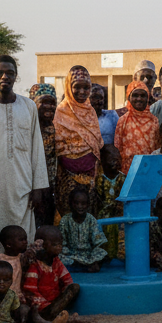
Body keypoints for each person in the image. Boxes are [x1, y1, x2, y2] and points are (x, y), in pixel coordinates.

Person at [0, 57, 47, 275]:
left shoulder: (29, 106)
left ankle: (23, 286)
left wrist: (38, 186)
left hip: (23, 187)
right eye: (0, 73)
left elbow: (36, 147)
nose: (5, 77)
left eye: (10, 73)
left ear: (16, 76)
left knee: (24, 237)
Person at [52, 66, 104, 218]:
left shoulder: (90, 111)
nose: (82, 92)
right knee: (70, 219)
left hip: (91, 177)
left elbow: (96, 142)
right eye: (77, 87)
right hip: (68, 178)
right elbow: (59, 148)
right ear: (69, 87)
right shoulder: (61, 112)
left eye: (86, 87)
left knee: (89, 220)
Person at [22, 225, 86, 323]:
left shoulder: (56, 261)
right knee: (39, 310)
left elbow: (66, 279)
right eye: (54, 244)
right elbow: (31, 292)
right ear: (42, 245)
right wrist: (44, 305)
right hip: (41, 308)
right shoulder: (35, 266)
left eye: (60, 244)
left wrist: (66, 290)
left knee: (74, 287)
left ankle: (57, 316)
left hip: (55, 303)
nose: (59, 247)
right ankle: (54, 318)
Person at [115, 80, 160, 177]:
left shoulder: (154, 121)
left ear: (147, 98)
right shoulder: (123, 120)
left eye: (143, 95)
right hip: (127, 171)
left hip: (149, 170)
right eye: (135, 95)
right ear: (129, 97)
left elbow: (158, 148)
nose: (139, 99)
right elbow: (117, 148)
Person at [59, 187, 109, 272]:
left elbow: (98, 242)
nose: (80, 206)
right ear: (70, 204)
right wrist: (67, 253)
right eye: (76, 203)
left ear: (88, 205)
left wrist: (94, 255)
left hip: (88, 255)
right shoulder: (65, 220)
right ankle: (85, 266)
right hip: (71, 255)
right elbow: (62, 243)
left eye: (83, 203)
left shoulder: (91, 219)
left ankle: (87, 265)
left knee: (103, 254)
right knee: (59, 256)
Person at [28, 83, 58, 225]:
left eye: (52, 103)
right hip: (30, 189)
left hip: (51, 190)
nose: (49, 107)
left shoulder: (57, 127)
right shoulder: (26, 128)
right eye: (43, 102)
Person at [0, 224, 36, 322]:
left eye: (25, 239)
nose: (25, 242)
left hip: (18, 297)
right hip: (5, 300)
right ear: (8, 244)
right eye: (21, 240)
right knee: (23, 311)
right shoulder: (2, 262)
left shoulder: (19, 257)